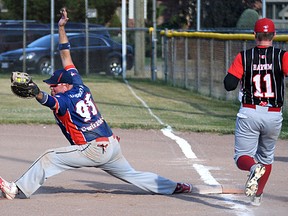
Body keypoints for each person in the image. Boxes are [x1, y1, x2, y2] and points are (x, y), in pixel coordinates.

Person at [0, 8, 192, 200]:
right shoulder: (78, 83)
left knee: (49, 156)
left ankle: (15, 188)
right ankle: (175, 187)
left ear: (65, 85)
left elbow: (49, 101)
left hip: (93, 150)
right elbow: (65, 54)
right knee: (133, 175)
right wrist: (61, 28)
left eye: (54, 85)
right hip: (111, 146)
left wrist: (36, 93)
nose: (52, 87)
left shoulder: (65, 99)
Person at [224, 18, 288, 206]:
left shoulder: (244, 57)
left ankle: (253, 168)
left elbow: (229, 85)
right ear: (274, 35)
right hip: (274, 114)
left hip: (250, 112)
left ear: (254, 35)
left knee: (242, 157)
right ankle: (257, 196)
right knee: (266, 157)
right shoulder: (282, 56)